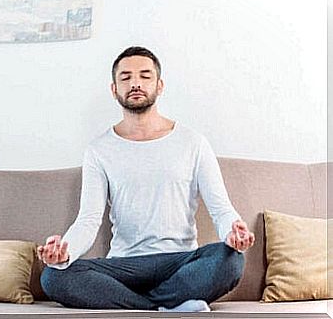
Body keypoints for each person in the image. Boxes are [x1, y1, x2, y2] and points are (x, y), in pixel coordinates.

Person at [37, 46, 255, 312]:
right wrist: (64, 253)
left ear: (159, 85)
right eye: (126, 77)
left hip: (180, 262)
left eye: (145, 76)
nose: (136, 83)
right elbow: (88, 219)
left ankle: (141, 307)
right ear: (114, 89)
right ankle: (166, 307)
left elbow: (221, 209)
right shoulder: (98, 150)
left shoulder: (193, 143)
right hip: (124, 266)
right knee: (54, 276)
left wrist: (233, 232)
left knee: (231, 260)